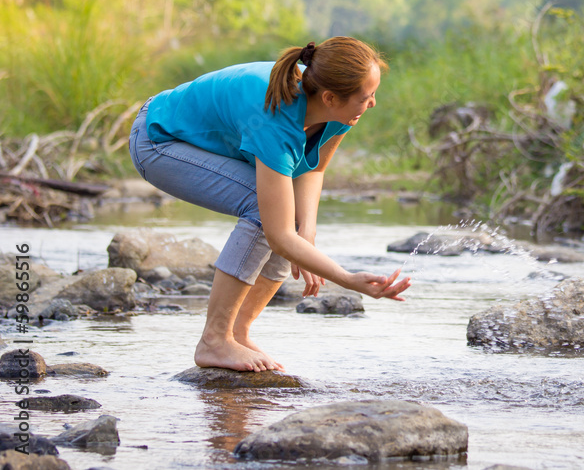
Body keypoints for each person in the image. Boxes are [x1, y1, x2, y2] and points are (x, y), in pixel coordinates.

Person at [128, 37, 410, 372]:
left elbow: (313, 167)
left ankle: (237, 332)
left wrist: (307, 232)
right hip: (158, 139)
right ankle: (214, 341)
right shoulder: (275, 118)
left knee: (288, 220)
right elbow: (277, 235)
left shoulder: (338, 108)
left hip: (198, 140)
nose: (373, 103)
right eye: (367, 97)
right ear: (330, 98)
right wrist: (347, 279)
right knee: (264, 209)